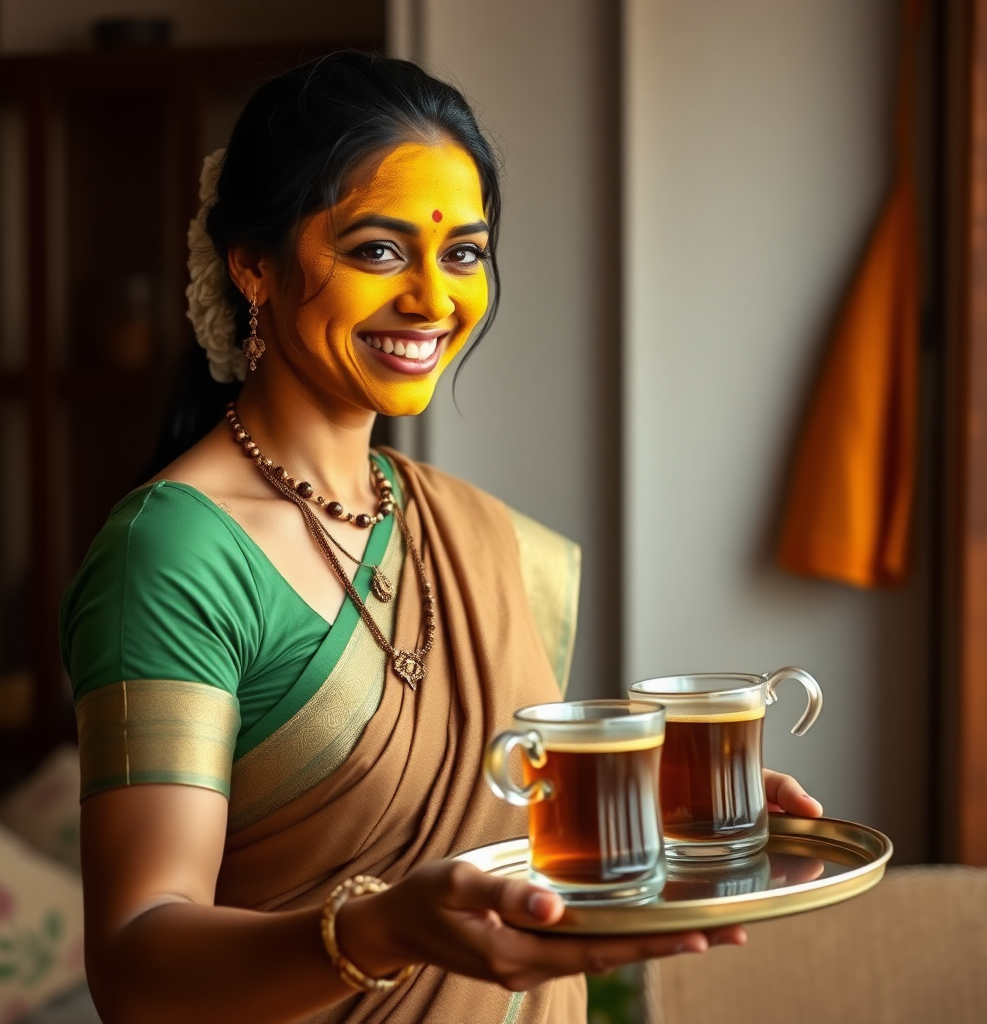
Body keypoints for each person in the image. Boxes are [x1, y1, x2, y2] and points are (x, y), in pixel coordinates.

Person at [60, 52, 823, 1024]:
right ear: (251, 263)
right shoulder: (173, 554)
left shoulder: (484, 540)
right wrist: (380, 931)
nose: (432, 298)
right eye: (378, 250)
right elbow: (136, 964)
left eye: (462, 253)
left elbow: (509, 834)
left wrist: (640, 806)